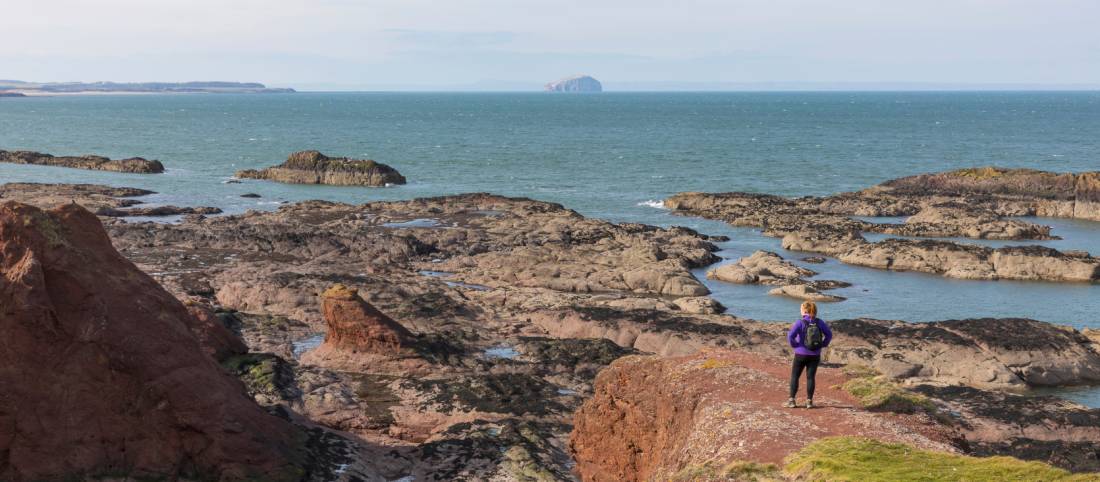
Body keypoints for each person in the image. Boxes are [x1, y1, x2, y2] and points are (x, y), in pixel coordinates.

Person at [785, 301, 832, 409]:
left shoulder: (799, 322)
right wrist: (823, 344)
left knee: (795, 376)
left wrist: (795, 345)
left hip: (800, 354)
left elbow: (790, 336)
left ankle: (792, 401)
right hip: (815, 354)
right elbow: (829, 334)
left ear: (804, 311)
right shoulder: (820, 322)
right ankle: (809, 402)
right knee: (810, 377)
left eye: (801, 308)